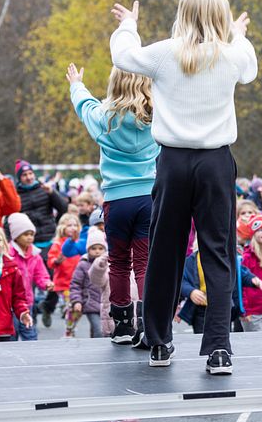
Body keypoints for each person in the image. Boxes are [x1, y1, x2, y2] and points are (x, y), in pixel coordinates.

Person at [110, 0, 257, 373]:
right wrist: (238, 34)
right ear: (222, 17)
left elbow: (122, 56)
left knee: (164, 251)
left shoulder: (164, 53)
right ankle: (218, 349)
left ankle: (159, 342)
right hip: (215, 163)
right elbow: (250, 67)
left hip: (173, 162)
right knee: (218, 254)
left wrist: (129, 26)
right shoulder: (231, 55)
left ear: (182, 12)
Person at [67, 63, 159, 348]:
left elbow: (85, 106)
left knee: (119, 262)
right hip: (148, 197)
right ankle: (147, 322)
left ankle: (121, 325)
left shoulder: (104, 117)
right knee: (144, 263)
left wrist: (76, 85)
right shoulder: (158, 114)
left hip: (117, 200)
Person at [7, 212, 54, 341]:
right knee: (12, 334)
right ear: (16, 236)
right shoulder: (8, 254)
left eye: (31, 234)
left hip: (28, 301)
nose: (29, 237)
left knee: (30, 334)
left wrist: (46, 283)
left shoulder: (34, 254)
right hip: (11, 304)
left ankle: (33, 359)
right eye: (26, 234)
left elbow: (41, 274)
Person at [14, 159, 69, 258]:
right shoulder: (16, 195)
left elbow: (63, 208)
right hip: (30, 243)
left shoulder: (44, 189)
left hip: (50, 239)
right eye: (24, 175)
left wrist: (53, 193)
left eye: (30, 173)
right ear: (19, 178)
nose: (29, 177)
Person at [47, 213, 83, 336]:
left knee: (78, 309)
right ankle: (69, 331)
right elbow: (50, 261)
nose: (73, 228)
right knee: (72, 306)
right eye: (69, 225)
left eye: (75, 225)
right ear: (62, 227)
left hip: (78, 283)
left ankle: (70, 328)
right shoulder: (58, 244)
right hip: (64, 283)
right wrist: (56, 260)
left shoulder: (79, 242)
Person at [69, 229, 108, 338]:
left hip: (107, 304)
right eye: (93, 248)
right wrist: (77, 301)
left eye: (100, 248)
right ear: (88, 249)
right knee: (99, 331)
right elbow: (76, 284)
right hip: (91, 304)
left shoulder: (109, 263)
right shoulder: (83, 264)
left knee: (105, 331)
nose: (97, 251)